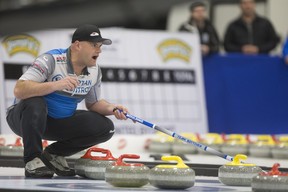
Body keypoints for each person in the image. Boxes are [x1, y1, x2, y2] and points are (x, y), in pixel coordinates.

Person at [6, 24, 129, 178]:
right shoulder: (51, 60)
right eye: (93, 45)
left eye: (100, 45)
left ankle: (54, 154)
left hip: (55, 122)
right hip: (23, 118)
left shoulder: (95, 71)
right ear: (77, 45)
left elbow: (93, 104)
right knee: (35, 102)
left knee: (106, 127)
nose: (99, 50)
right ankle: (33, 159)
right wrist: (56, 85)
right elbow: (19, 89)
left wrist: (112, 108)